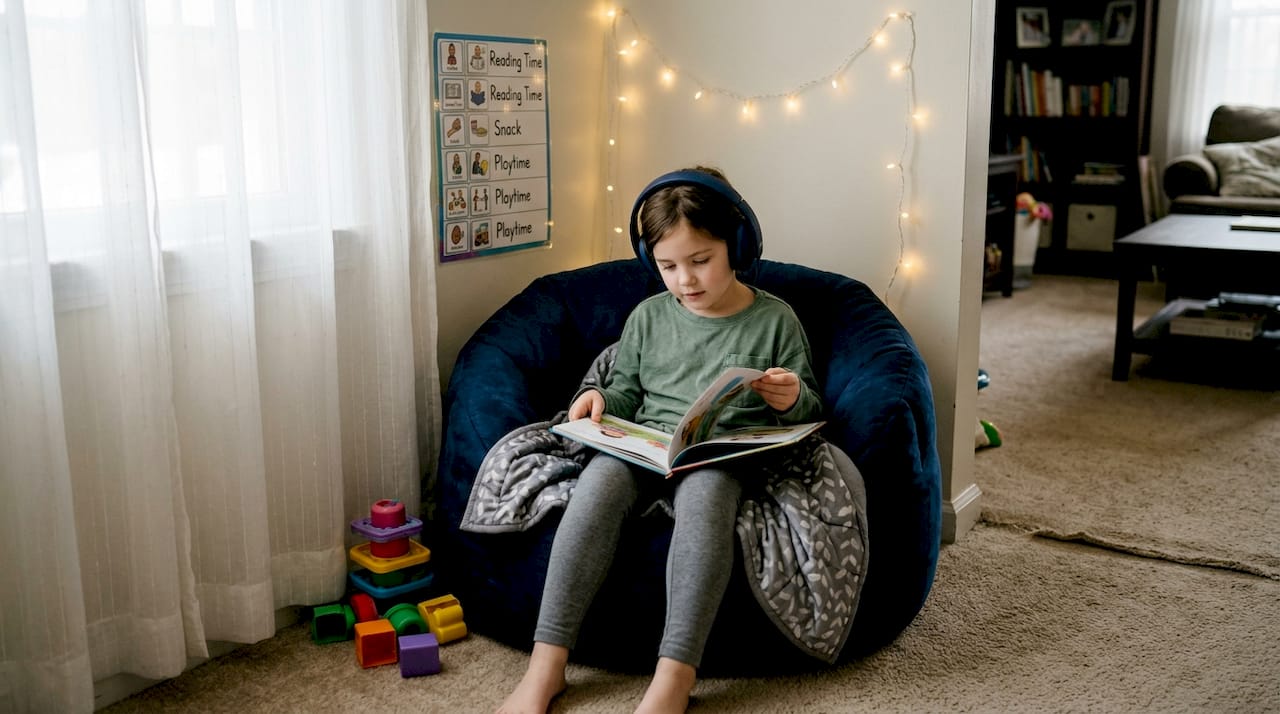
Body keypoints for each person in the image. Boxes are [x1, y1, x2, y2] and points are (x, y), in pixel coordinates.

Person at [497, 166, 823, 714]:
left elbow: (811, 406)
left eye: (701, 262)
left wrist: (790, 397)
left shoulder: (776, 322)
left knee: (708, 500)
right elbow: (622, 390)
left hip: (718, 454)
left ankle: (674, 675)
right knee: (595, 490)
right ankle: (546, 666)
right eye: (668, 266)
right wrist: (598, 400)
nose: (685, 280)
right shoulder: (648, 316)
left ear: (736, 246)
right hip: (643, 445)